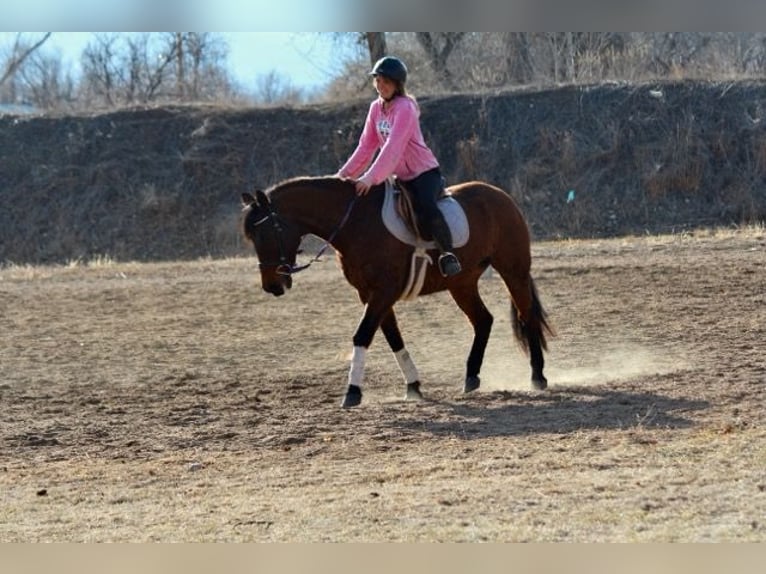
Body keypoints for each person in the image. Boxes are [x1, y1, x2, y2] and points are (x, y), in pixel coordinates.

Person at [337, 56, 462, 277]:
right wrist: (343, 175)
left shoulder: (405, 108)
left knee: (425, 205)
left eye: (386, 82)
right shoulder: (375, 108)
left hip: (424, 173)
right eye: (378, 81)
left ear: (398, 85)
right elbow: (366, 146)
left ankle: (447, 254)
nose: (381, 86)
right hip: (399, 177)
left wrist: (369, 178)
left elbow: (393, 148)